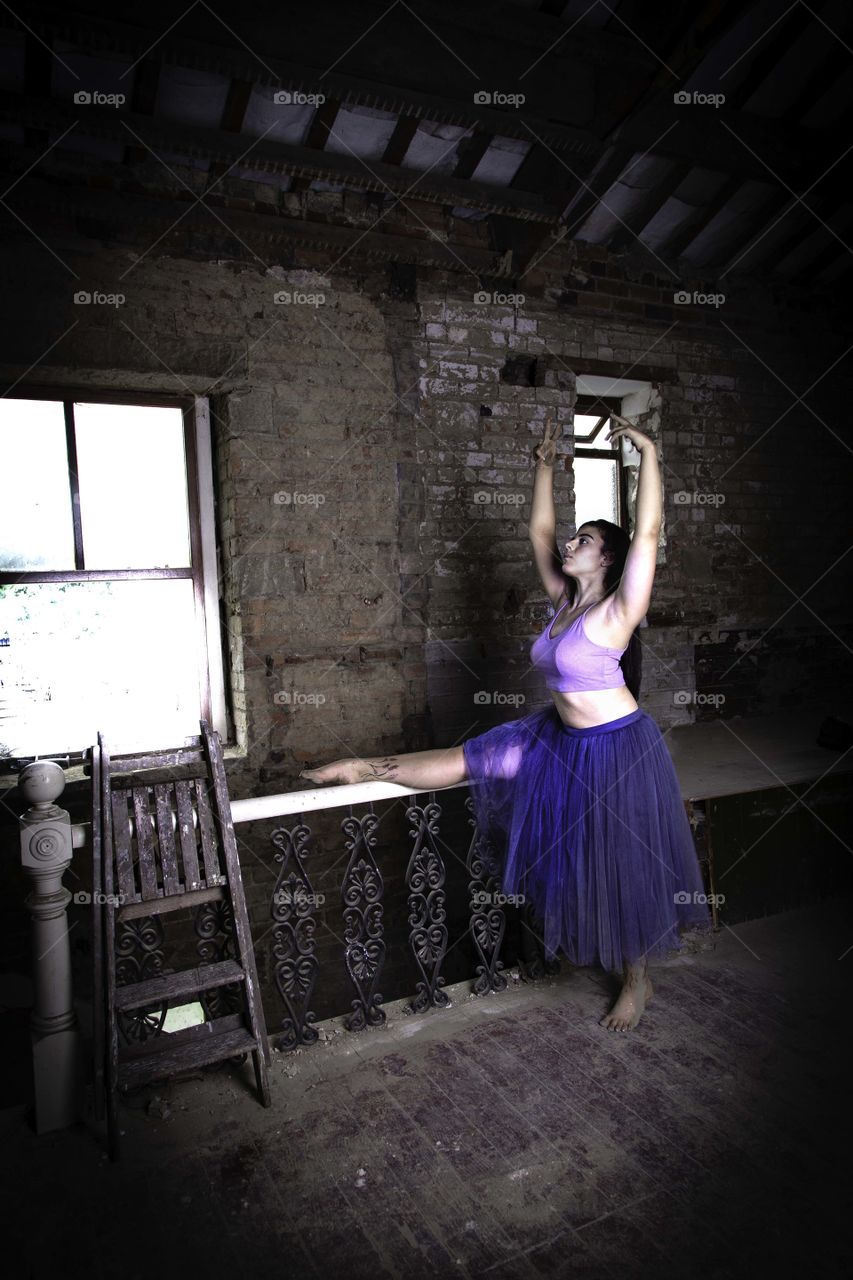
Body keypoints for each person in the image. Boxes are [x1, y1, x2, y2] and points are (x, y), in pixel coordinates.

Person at [299, 413, 713, 1031]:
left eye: (584, 541)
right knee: (474, 757)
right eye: (573, 539)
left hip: (619, 749)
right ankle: (363, 766)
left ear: (607, 559)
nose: (569, 544)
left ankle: (637, 978)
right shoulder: (562, 605)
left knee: (620, 860)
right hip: (560, 736)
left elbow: (649, 531)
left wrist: (650, 451)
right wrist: (545, 463)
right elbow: (539, 528)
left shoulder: (620, 610)